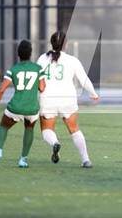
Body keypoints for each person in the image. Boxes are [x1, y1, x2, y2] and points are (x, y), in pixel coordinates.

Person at [37, 31, 99, 168]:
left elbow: (37, 79)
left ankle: (55, 143)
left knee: (47, 129)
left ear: (51, 43)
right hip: (67, 99)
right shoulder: (72, 60)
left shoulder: (42, 59)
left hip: (48, 99)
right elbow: (84, 80)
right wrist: (93, 93)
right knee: (74, 129)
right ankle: (86, 160)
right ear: (65, 44)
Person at [0, 40, 45, 168]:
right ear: (30, 54)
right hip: (32, 109)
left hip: (15, 107)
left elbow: (2, 89)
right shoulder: (37, 68)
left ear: (18, 54)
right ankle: (23, 160)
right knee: (29, 129)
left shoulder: (13, 69)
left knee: (3, 127)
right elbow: (42, 88)